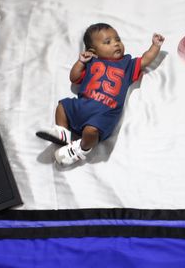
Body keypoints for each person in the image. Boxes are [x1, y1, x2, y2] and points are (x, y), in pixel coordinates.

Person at [37, 23, 165, 166]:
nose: (116, 44)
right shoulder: (92, 62)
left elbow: (145, 60)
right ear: (94, 51)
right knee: (63, 106)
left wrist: (155, 46)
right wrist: (80, 62)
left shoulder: (127, 64)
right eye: (107, 42)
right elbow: (74, 78)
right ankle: (62, 132)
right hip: (82, 105)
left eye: (117, 40)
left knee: (91, 131)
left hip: (104, 114)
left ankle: (81, 149)